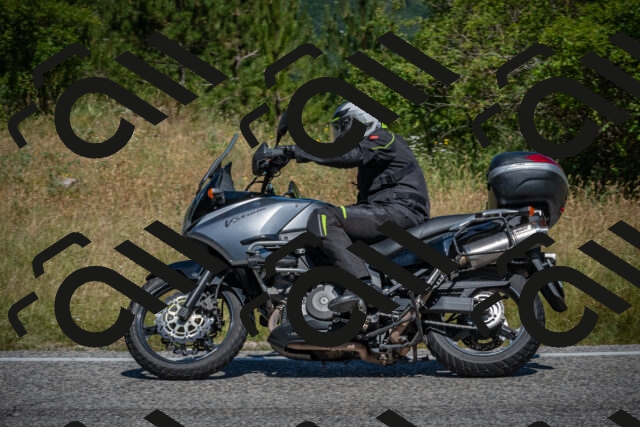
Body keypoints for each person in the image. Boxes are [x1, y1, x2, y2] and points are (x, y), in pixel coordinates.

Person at [256, 102, 430, 313]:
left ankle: (361, 286)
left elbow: (347, 155)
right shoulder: (375, 144)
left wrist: (291, 151)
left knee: (324, 217)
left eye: (342, 127)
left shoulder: (383, 138)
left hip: (400, 210)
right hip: (391, 211)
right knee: (315, 239)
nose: (339, 133)